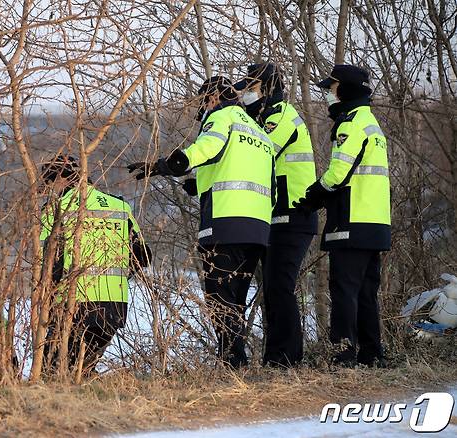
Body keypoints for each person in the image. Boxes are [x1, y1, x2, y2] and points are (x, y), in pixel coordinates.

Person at [128, 76, 275, 368]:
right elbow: (237, 169)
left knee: (218, 296)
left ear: (213, 98)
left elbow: (207, 148)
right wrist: (191, 181)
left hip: (225, 222)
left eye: (203, 102)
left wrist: (168, 164)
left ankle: (232, 362)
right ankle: (236, 359)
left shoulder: (221, 118)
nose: (202, 108)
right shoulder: (259, 132)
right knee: (236, 297)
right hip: (258, 226)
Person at [294, 64, 390, 366]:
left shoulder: (350, 124)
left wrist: (313, 196)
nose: (328, 96)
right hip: (374, 222)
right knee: (365, 292)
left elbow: (338, 173)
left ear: (346, 90)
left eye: (331, 89)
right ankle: (372, 355)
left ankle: (343, 355)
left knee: (344, 290)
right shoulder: (370, 122)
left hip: (351, 221)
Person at [234, 63, 317, 367]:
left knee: (280, 287)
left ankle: (286, 359)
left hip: (294, 215)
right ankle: (278, 357)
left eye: (251, 89)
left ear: (267, 88)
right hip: (277, 218)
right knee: (273, 289)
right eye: (244, 91)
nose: (246, 96)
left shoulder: (280, 116)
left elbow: (259, 151)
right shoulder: (265, 116)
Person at [40, 155, 151, 375]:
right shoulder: (119, 206)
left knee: (53, 370)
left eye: (50, 181)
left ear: (62, 178)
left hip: (72, 302)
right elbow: (143, 256)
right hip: (114, 305)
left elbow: (48, 263)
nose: (50, 188)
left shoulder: (55, 210)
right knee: (83, 368)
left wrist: (47, 299)